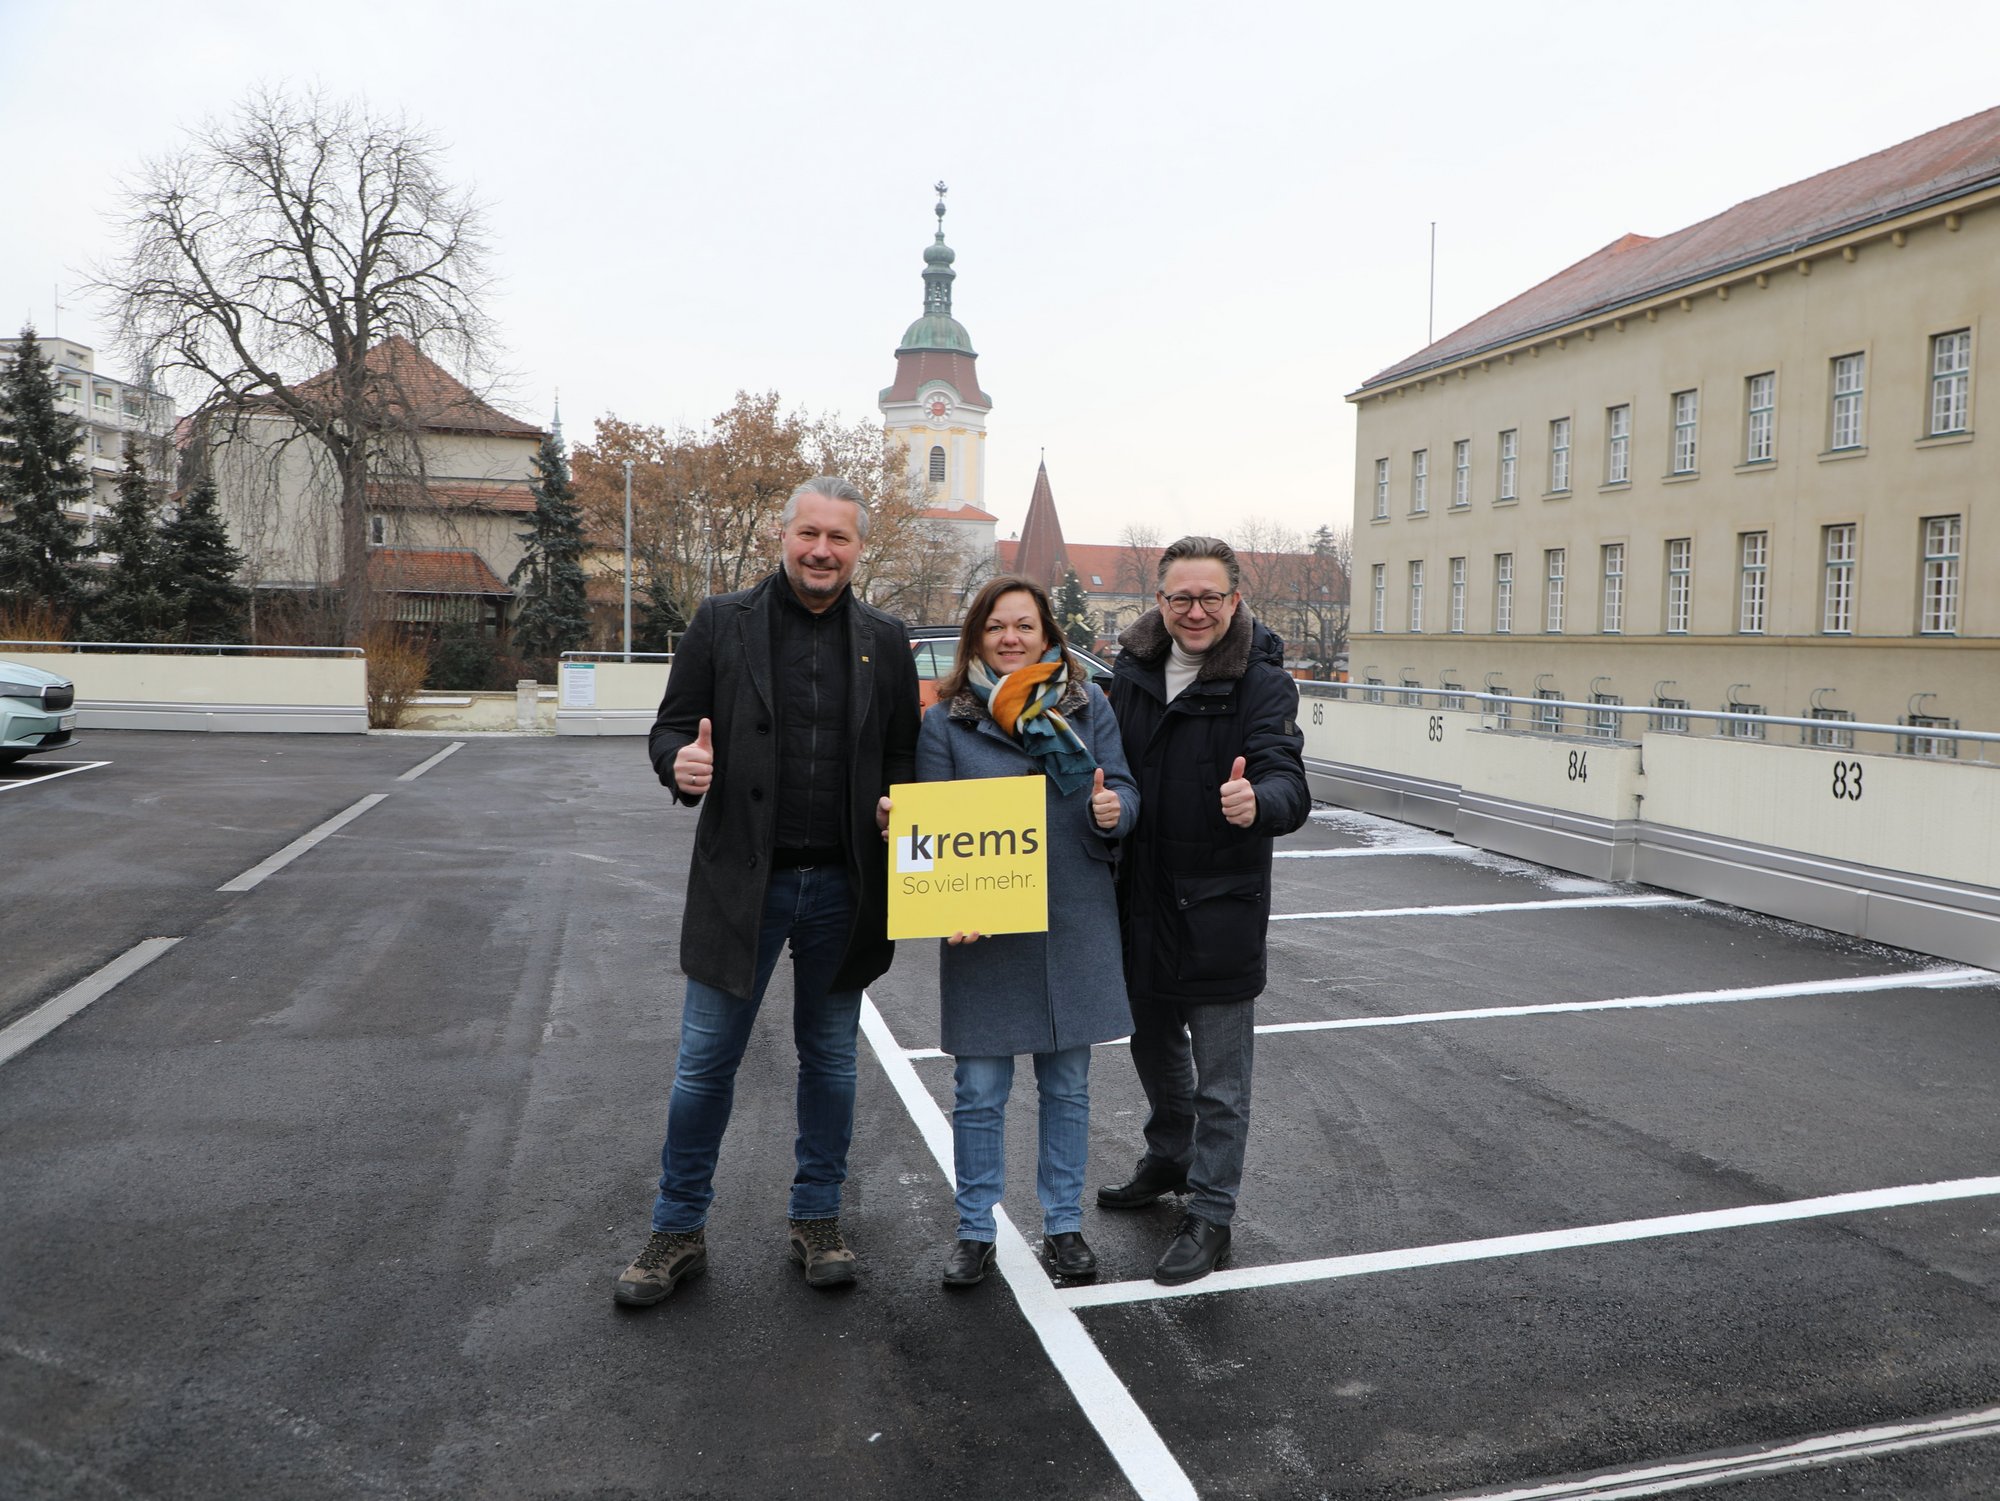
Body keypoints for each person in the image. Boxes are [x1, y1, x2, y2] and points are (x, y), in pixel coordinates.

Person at [614, 475, 920, 1307]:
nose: (822, 550)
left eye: (840, 538)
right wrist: (679, 764)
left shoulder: (886, 640)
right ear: (783, 536)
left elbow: (902, 752)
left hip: (843, 888)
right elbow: (672, 726)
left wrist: (903, 804)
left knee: (830, 1061)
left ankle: (817, 1219)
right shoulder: (721, 623)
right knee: (704, 1064)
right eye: (809, 534)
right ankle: (677, 1229)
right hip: (742, 883)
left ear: (861, 548)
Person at [915, 576, 1138, 1288]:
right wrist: (947, 903)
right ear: (976, 635)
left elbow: (1124, 788)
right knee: (979, 1088)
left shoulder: (1086, 702)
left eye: (1025, 625)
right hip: (984, 925)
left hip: (1072, 915)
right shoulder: (945, 720)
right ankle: (975, 1229)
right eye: (996, 626)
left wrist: (1115, 812)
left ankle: (1063, 1226)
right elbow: (932, 823)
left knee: (1067, 1085)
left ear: (1048, 635)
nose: (1011, 637)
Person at [1097, 535, 1309, 1285]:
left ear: (1234, 601)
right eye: (1180, 597)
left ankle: (1211, 1213)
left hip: (1219, 905)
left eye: (1209, 597)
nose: (1195, 611)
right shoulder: (1128, 671)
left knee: (1222, 1079)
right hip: (1137, 899)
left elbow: (1289, 780)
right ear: (1159, 601)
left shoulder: (1262, 684)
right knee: (1152, 1047)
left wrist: (1260, 802)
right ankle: (1170, 1155)